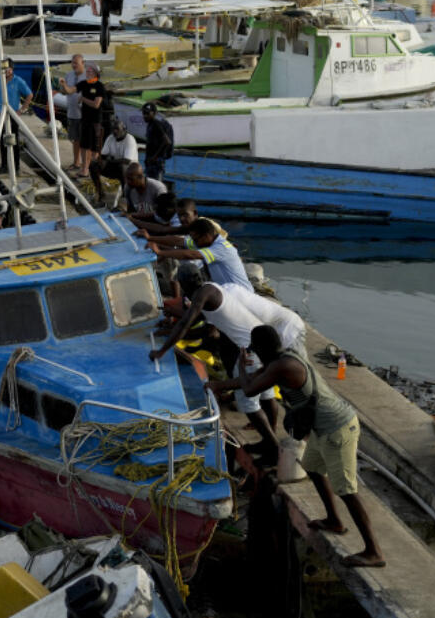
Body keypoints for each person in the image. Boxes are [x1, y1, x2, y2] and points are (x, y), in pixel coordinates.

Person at [216, 326, 385, 568]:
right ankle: (334, 520)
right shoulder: (281, 359)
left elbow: (250, 388)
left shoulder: (282, 366)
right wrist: (217, 386)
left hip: (337, 427)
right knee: (313, 468)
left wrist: (242, 366)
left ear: (262, 349)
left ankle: (374, 551)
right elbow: (252, 381)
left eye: (256, 351)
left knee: (346, 489)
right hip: (322, 427)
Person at [149, 283, 283, 463]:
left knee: (248, 402)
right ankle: (270, 440)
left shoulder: (202, 295)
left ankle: (273, 448)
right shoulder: (216, 290)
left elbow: (185, 322)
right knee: (266, 395)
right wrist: (169, 329)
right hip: (261, 343)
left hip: (250, 349)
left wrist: (161, 351)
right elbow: (199, 326)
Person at [145, 216, 253, 292]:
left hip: (242, 294)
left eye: (195, 239)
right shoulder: (205, 241)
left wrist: (160, 252)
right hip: (227, 291)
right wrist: (150, 238)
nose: (194, 243)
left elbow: (191, 255)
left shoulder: (222, 248)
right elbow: (178, 241)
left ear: (206, 236)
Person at [0, 60, 32, 174]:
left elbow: (29, 94)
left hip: (12, 114)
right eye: (4, 69)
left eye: (8, 69)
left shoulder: (18, 81)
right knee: (2, 140)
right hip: (1, 113)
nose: (6, 71)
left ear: (12, 69)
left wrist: (22, 109)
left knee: (14, 141)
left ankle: (16, 167)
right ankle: (4, 166)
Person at [89, 118, 138, 203]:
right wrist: (100, 160)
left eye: (117, 129)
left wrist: (108, 161)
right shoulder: (110, 138)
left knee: (122, 167)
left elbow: (126, 161)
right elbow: (103, 155)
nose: (115, 131)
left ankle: (126, 196)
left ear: (124, 129)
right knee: (93, 165)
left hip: (130, 170)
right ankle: (100, 192)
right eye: (113, 129)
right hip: (116, 166)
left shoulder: (130, 140)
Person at [76, 64, 106, 176]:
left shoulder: (99, 86)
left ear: (95, 73)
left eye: (90, 71)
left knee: (95, 149)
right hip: (85, 119)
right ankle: (85, 169)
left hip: (95, 121)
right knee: (84, 146)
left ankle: (93, 169)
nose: (87, 73)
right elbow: (71, 89)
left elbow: (96, 104)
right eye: (87, 71)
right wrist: (64, 86)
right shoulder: (84, 84)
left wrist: (83, 99)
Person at [61, 54, 86, 171]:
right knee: (75, 139)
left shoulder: (87, 77)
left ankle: (86, 165)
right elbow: (65, 91)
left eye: (76, 63)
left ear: (83, 63)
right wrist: (62, 86)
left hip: (84, 114)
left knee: (85, 141)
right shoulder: (69, 75)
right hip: (72, 113)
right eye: (72, 63)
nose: (74, 65)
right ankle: (76, 162)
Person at [140, 104, 174, 181]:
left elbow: (167, 141)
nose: (145, 116)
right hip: (151, 163)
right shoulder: (150, 125)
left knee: (156, 187)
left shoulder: (156, 124)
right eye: (143, 113)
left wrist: (154, 157)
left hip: (156, 164)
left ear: (154, 113)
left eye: (147, 113)